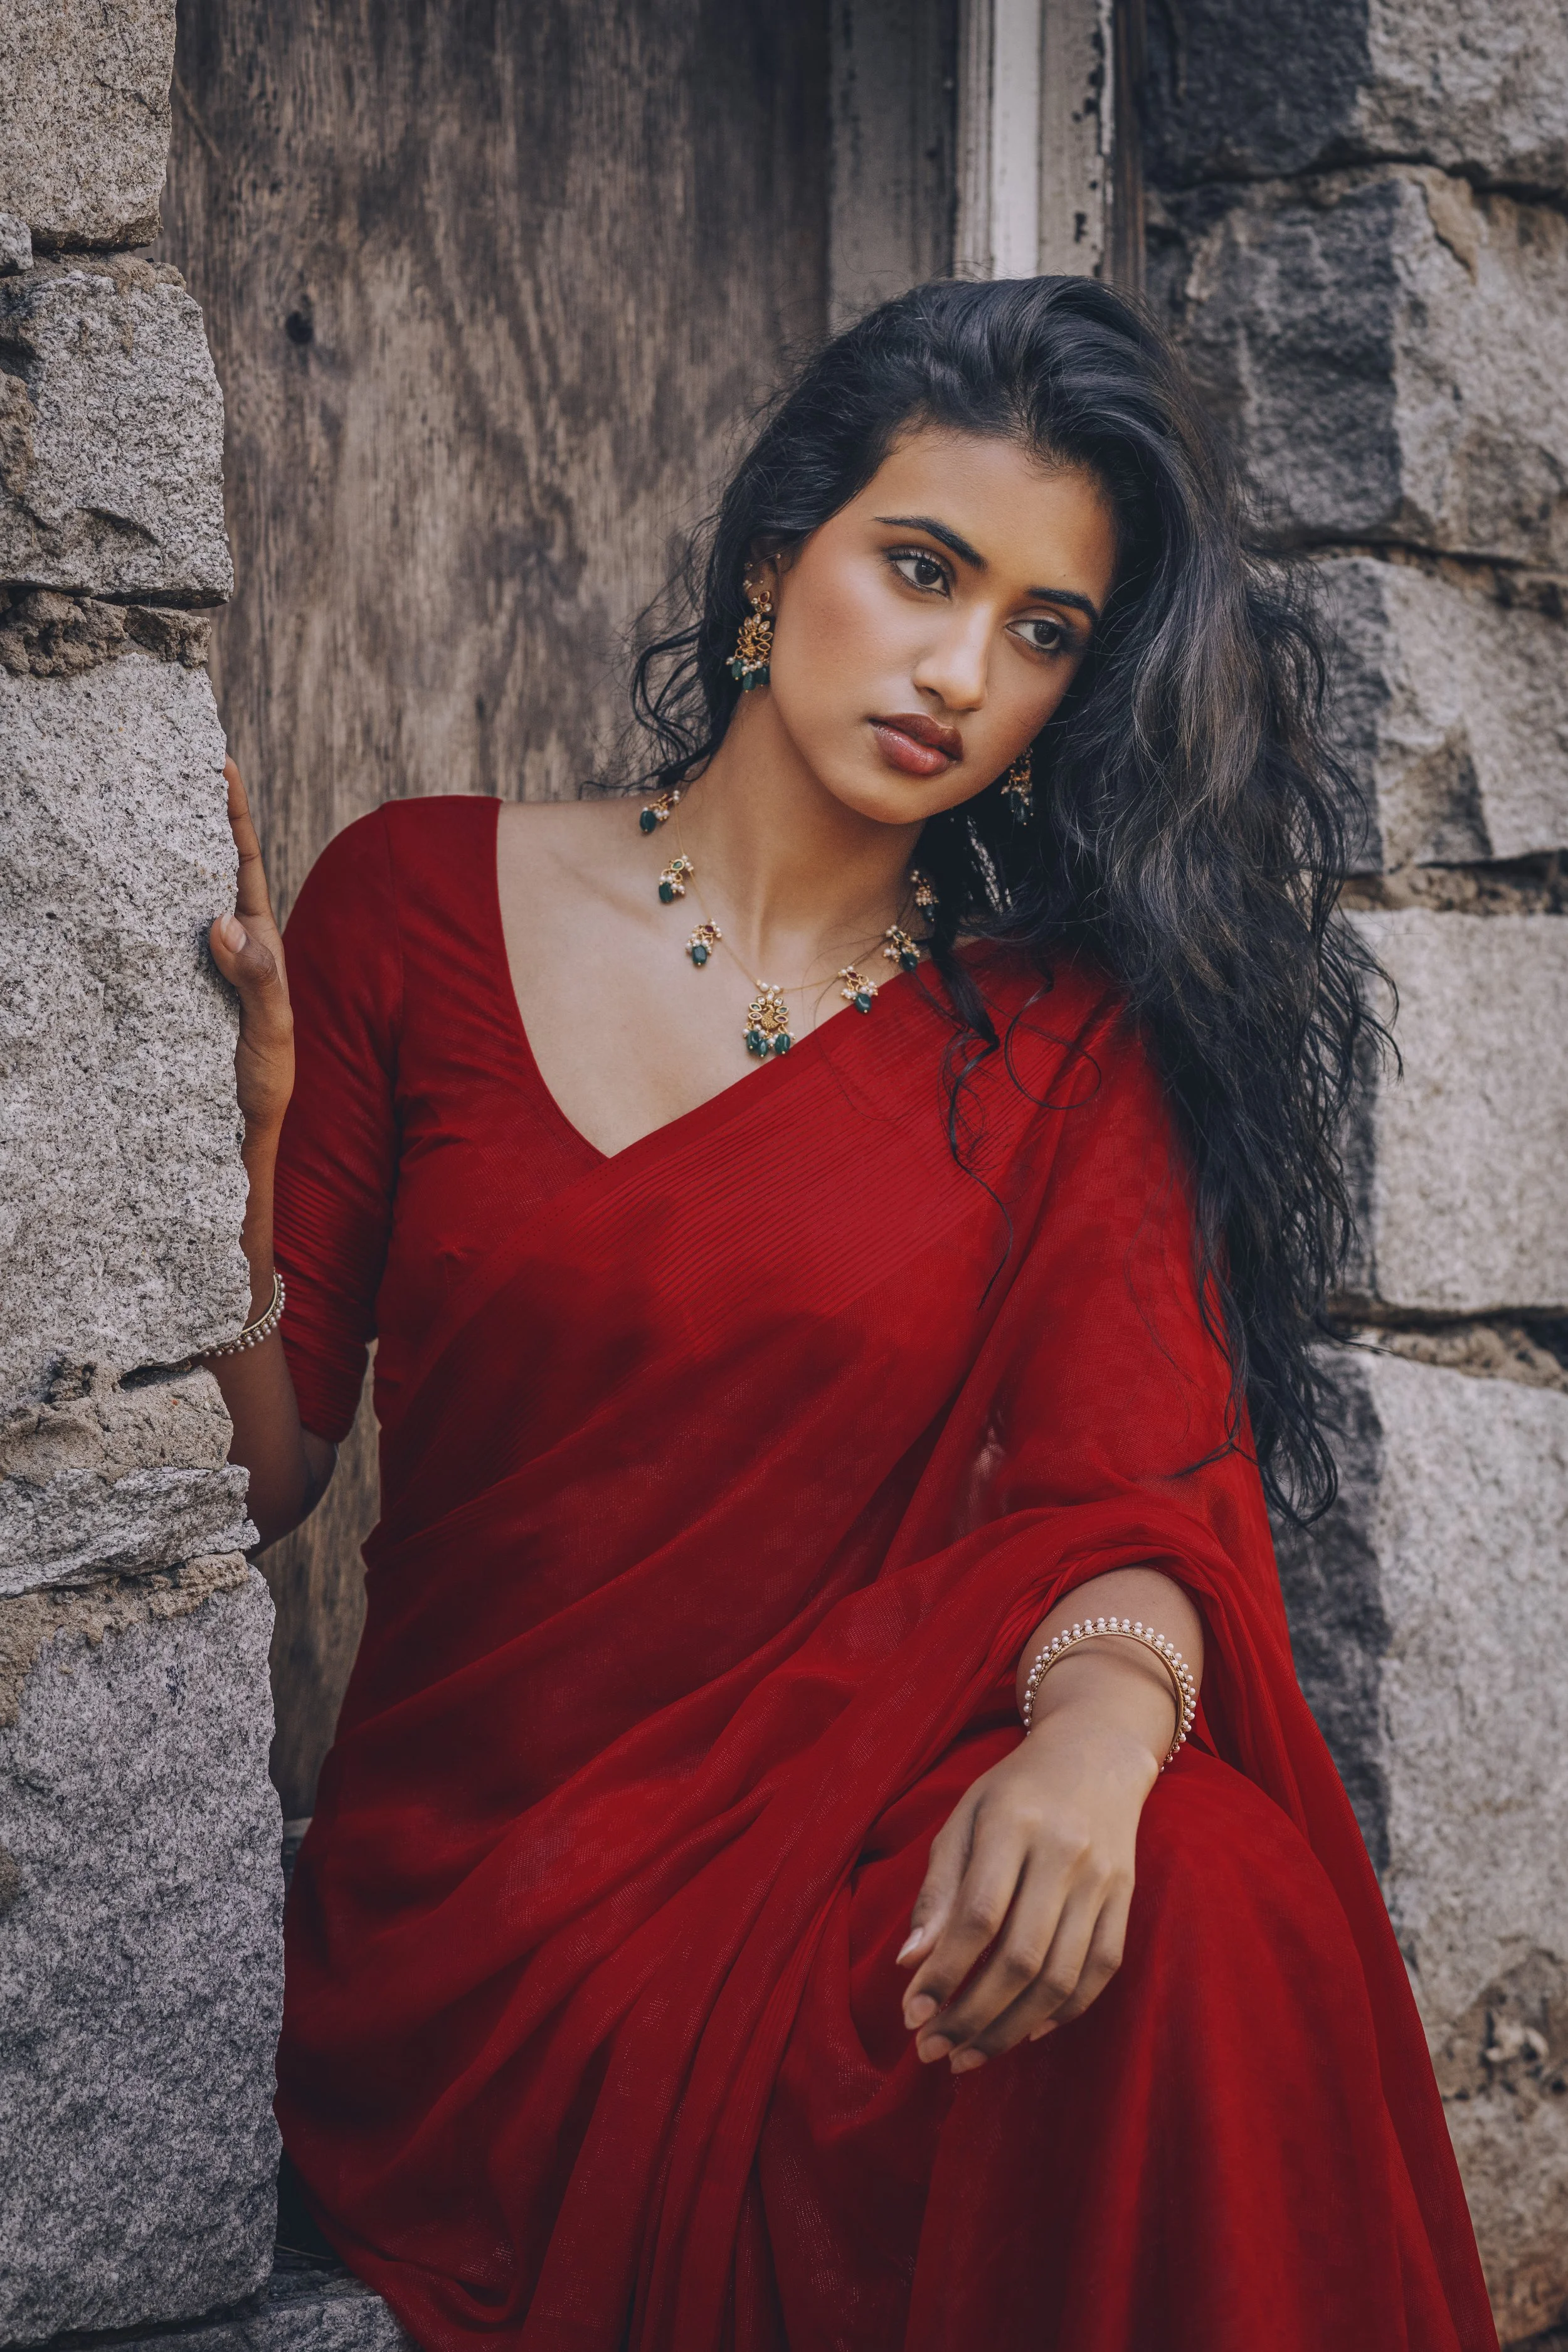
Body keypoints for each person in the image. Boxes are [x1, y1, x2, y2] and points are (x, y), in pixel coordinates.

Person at [206, 277, 1498, 2352]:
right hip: (490, 1901)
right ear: (772, 553)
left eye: (1042, 632)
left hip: (828, 1843)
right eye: (921, 568)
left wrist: (1093, 1744)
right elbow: (263, 1476)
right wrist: (233, 1185)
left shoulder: (1058, 1046)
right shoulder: (416, 901)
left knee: (1214, 1897)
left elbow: (1133, 1484)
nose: (961, 670)